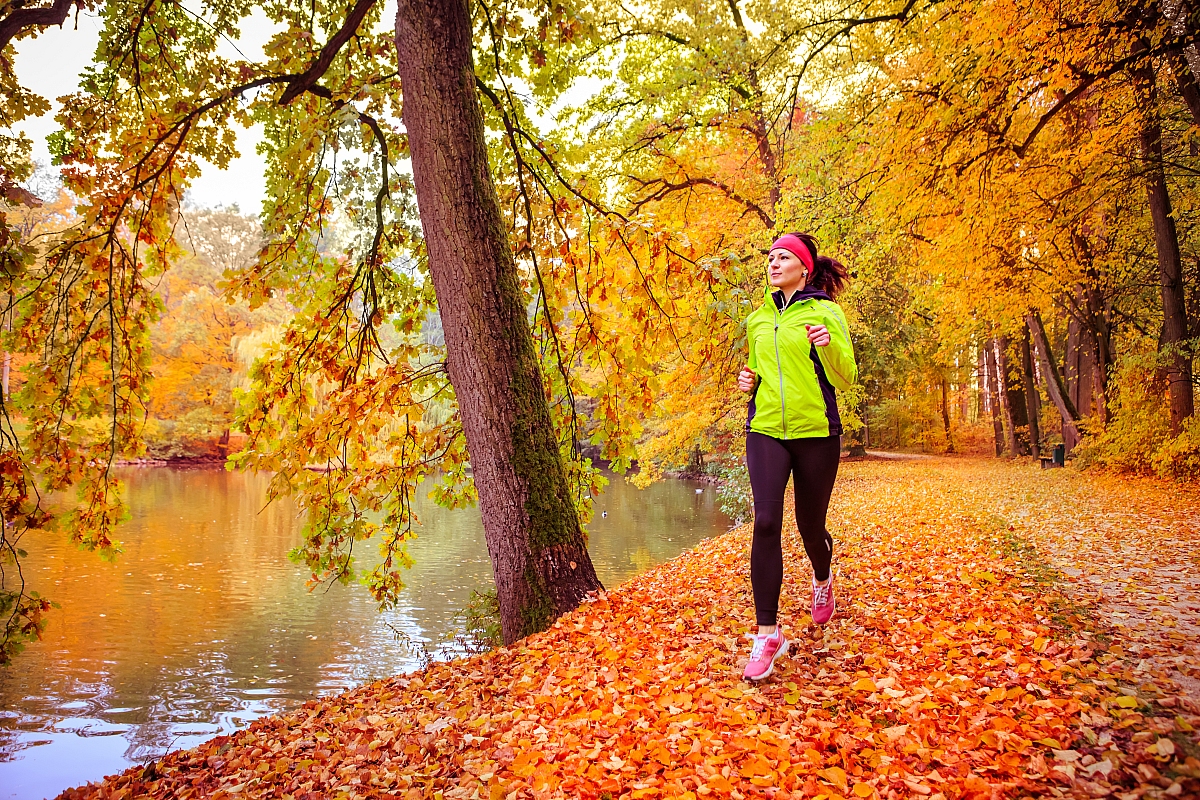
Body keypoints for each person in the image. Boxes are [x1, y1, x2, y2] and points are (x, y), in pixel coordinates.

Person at [736, 232, 856, 681]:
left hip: (817, 432)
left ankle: (822, 577)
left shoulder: (826, 311)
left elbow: (845, 378)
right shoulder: (757, 320)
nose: (774, 262)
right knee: (766, 521)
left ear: (804, 268)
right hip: (765, 428)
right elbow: (757, 371)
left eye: (784, 257)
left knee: (810, 525)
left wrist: (827, 345)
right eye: (770, 256)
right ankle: (768, 634)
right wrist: (748, 383)